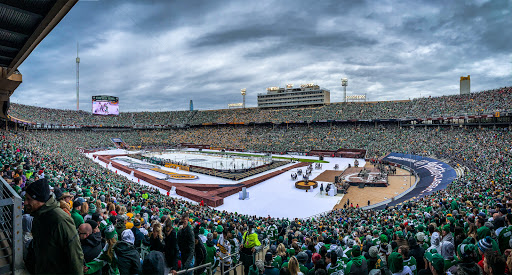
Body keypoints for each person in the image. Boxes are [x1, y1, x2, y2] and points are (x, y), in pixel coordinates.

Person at [24, 179, 84, 274]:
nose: (25, 203)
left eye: (29, 199)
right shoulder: (38, 214)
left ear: (40, 200)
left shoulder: (61, 220)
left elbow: (75, 256)